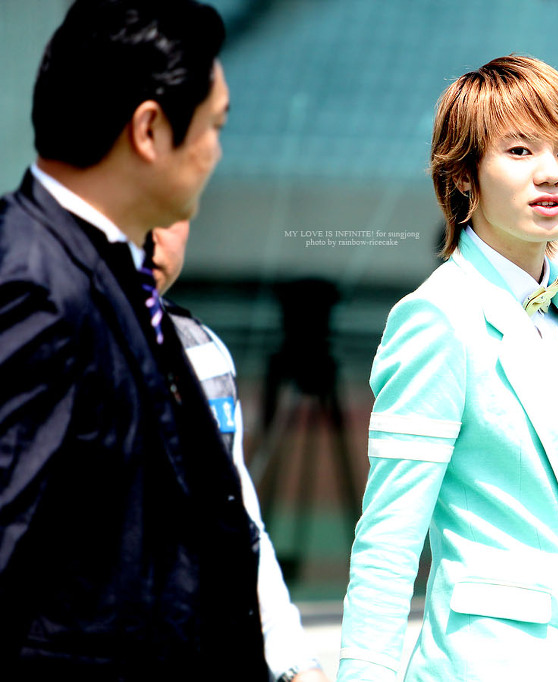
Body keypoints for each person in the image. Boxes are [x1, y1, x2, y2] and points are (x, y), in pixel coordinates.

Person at [337, 56, 558, 682]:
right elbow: (389, 539)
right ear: (464, 174)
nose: (550, 172)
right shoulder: (438, 317)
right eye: (520, 151)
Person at [0, 1, 267, 676]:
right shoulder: (33, 285)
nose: (217, 153)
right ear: (149, 130)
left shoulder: (110, 275)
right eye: (214, 126)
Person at [150, 222, 329, 682]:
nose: (152, 235)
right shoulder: (46, 336)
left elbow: (239, 525)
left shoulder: (204, 351)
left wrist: (294, 662)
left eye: (171, 214)